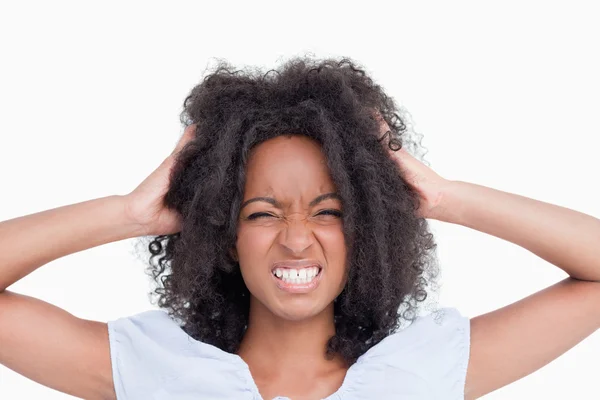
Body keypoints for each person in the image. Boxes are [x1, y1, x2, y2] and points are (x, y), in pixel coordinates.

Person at [1, 56, 599, 400]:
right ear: (222, 233)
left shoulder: (425, 366)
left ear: (367, 229)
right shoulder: (151, 365)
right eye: (262, 212)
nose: (295, 238)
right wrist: (128, 213)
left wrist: (442, 198)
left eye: (329, 211)